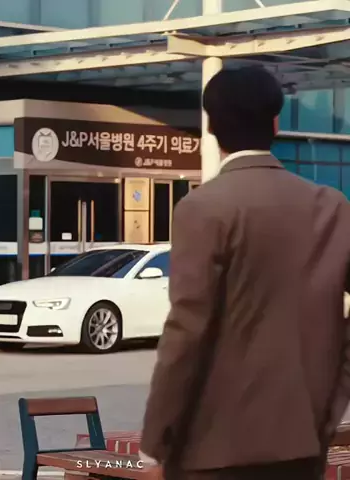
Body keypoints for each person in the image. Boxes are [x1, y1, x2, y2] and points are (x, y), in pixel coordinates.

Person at [140, 66, 350, 480]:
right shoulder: (331, 206)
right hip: (302, 444)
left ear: (211, 128)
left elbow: (188, 329)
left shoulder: (203, 208)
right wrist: (331, 405)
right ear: (275, 124)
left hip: (211, 451)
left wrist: (155, 443)